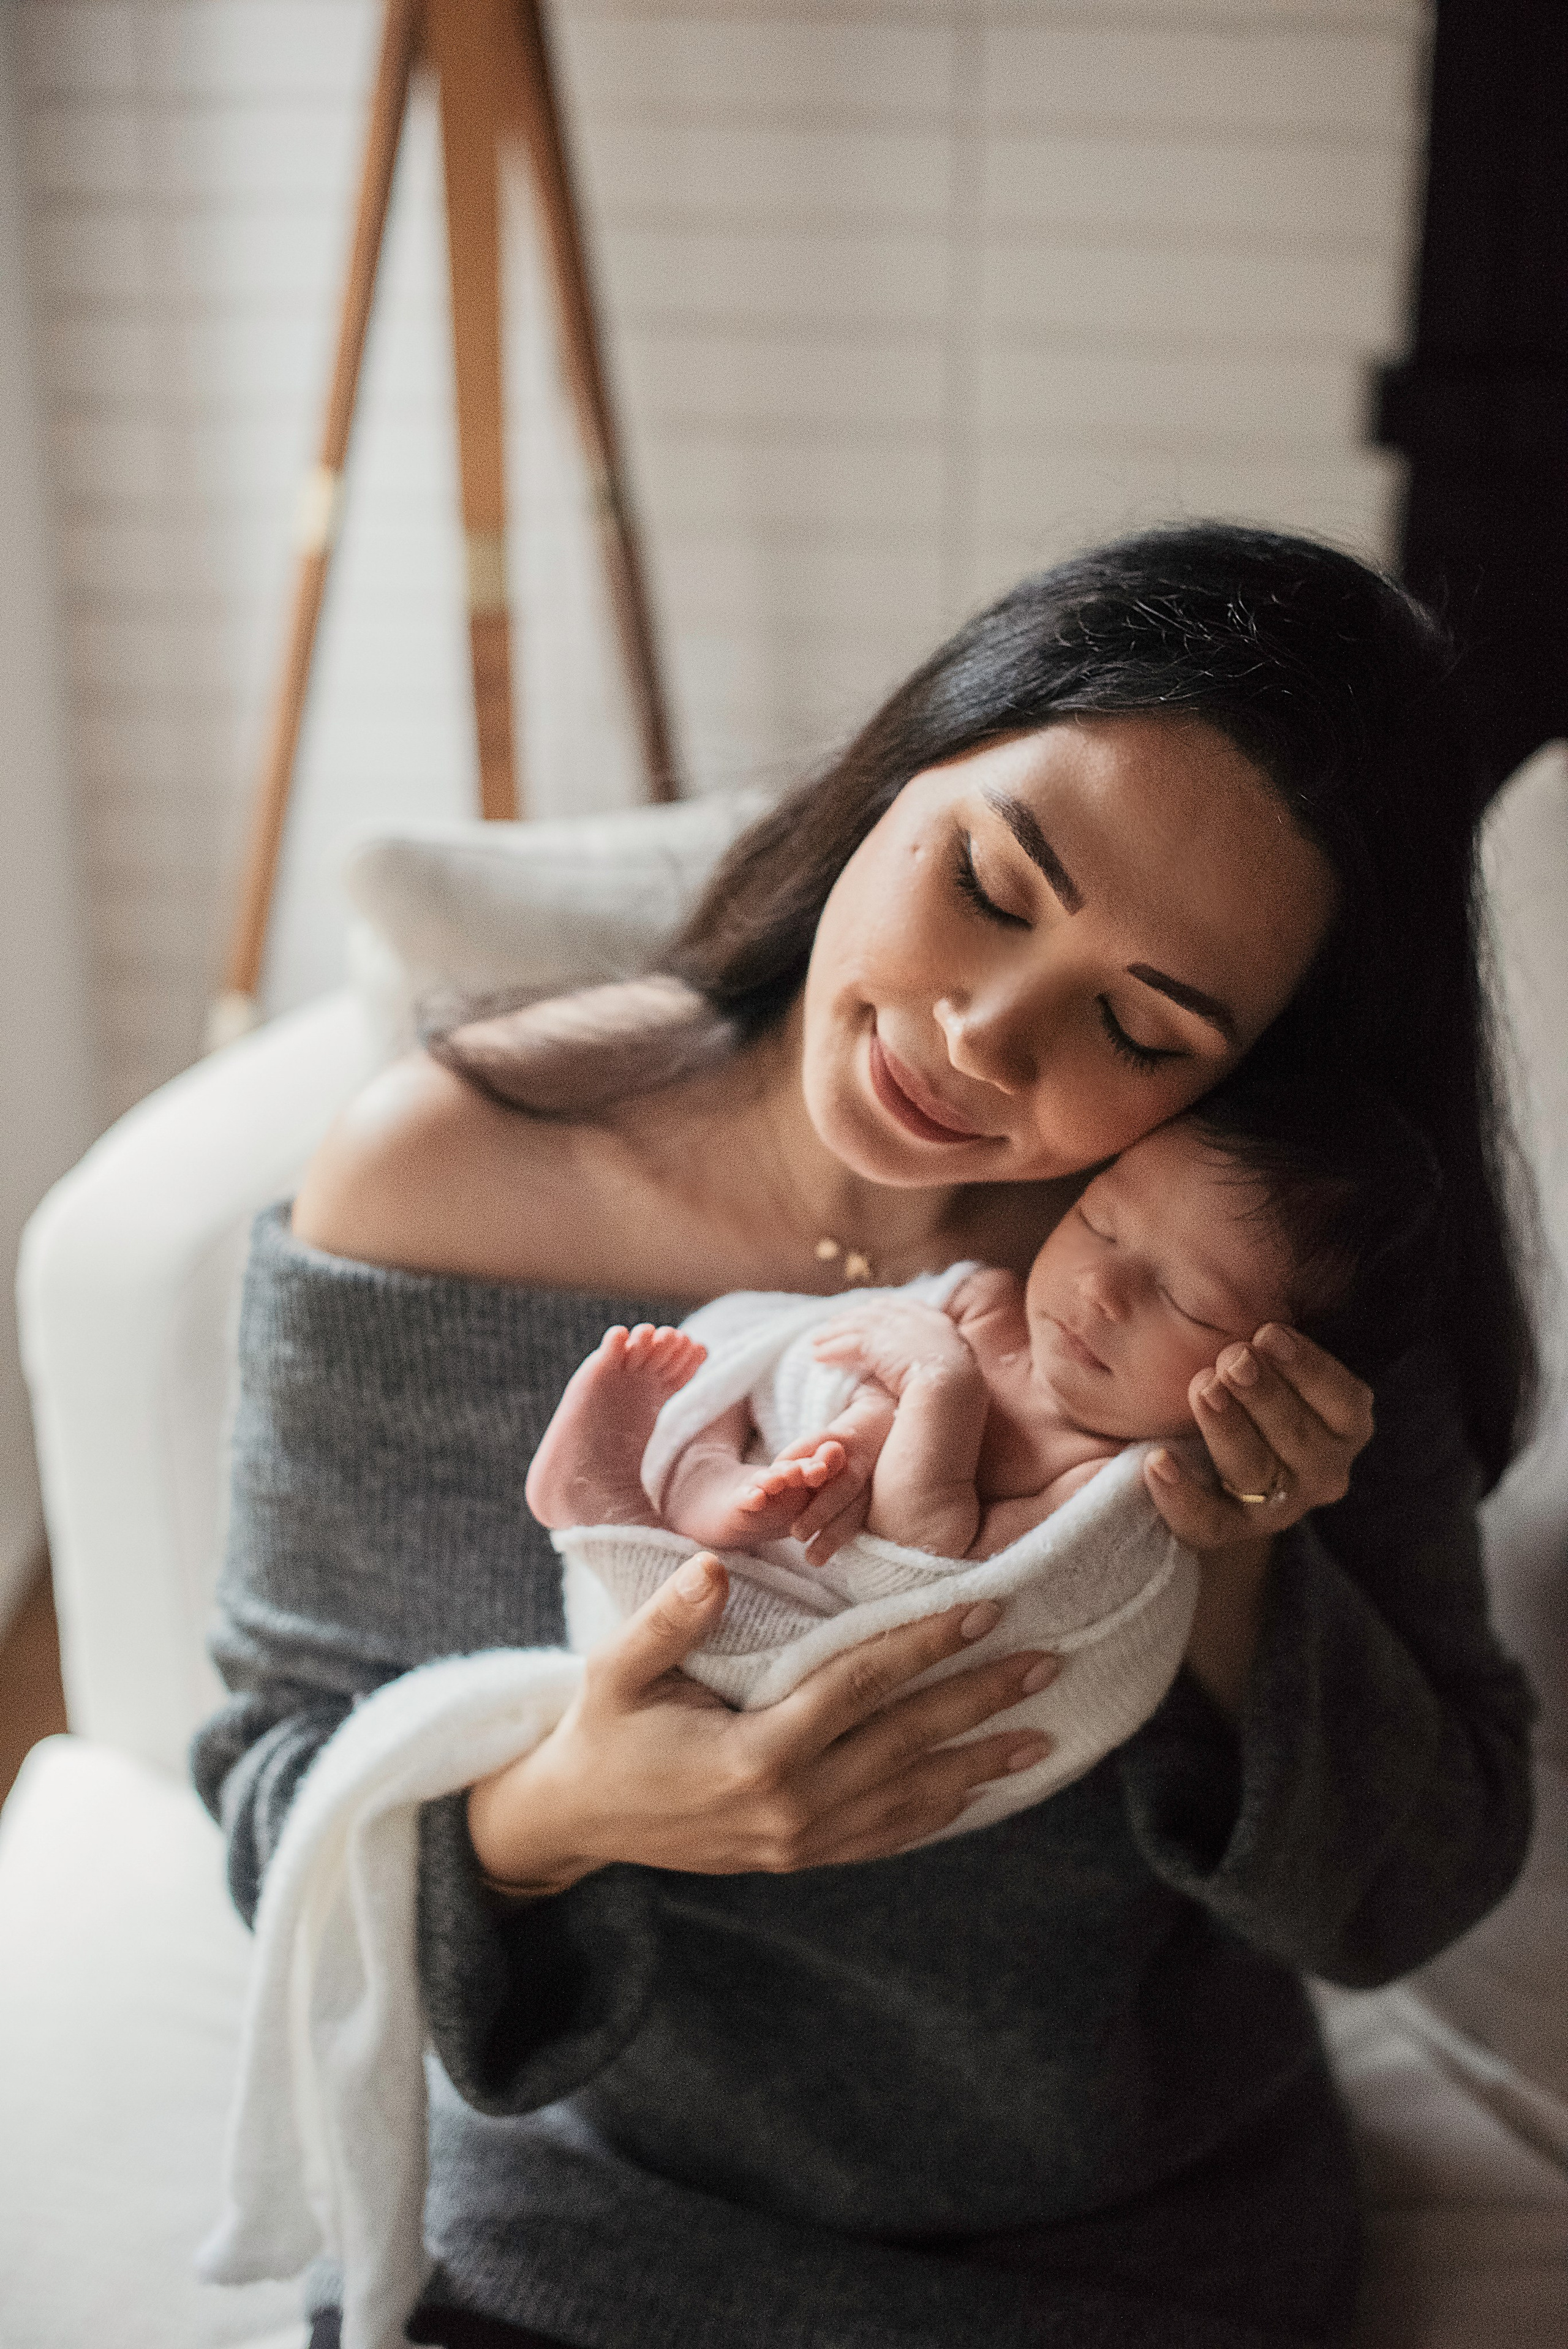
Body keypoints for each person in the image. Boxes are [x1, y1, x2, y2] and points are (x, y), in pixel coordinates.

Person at [195, 524, 1537, 2349]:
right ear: (903, 772)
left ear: (1241, 1077)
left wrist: (1223, 1555)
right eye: (989, 882)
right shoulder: (450, 1181)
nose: (981, 1040)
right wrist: (563, 1814)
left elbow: (1417, 1879)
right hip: (594, 2222)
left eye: (1138, 1025)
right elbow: (282, 1787)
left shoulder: (1243, 1286)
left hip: (1128, 2246)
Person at [524, 1079, 1442, 1570]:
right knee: (751, 1349)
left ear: (1275, 1391)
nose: (1101, 1290)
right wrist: (846, 1420)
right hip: (782, 1451)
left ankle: (617, 1515)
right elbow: (860, 1331)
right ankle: (697, 1470)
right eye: (1100, 1220)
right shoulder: (997, 1300)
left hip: (823, 1582)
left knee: (721, 1610)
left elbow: (928, 1557)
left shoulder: (1104, 1484)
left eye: (1192, 1302)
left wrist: (941, 1388)